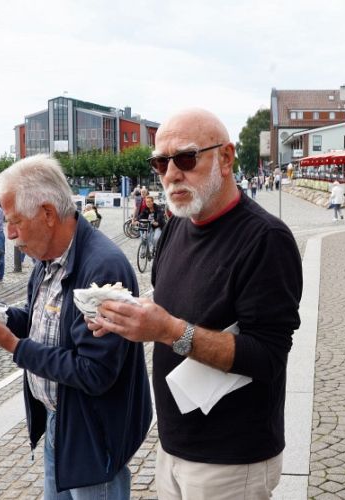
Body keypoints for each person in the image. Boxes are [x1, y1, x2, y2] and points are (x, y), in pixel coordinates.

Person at [91, 108, 303, 500]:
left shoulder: (266, 239)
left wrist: (169, 331)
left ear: (226, 157)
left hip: (231, 457)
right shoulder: (177, 224)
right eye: (160, 163)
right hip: (173, 443)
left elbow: (268, 357)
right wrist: (125, 316)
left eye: (186, 158)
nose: (171, 174)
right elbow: (170, 304)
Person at [0, 154, 152, 499]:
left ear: (47, 214)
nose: (9, 233)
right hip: (59, 421)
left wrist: (13, 346)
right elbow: (40, 318)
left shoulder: (102, 268)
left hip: (93, 434)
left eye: (14, 221)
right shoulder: (47, 257)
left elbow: (94, 372)